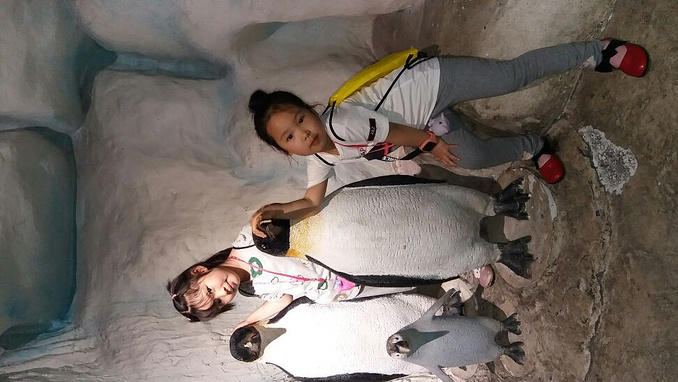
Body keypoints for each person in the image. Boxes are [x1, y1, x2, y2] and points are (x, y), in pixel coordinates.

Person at [248, 38, 647, 228]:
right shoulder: (320, 156)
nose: (302, 133)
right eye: (289, 137)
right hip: (425, 123)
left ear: (310, 110)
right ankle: (535, 146)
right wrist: (277, 212)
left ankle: (598, 52)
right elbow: (312, 202)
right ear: (287, 151)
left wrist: (431, 143)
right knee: (472, 158)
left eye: (300, 119)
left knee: (511, 76)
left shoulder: (338, 122)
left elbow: (396, 132)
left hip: (431, 84)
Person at [167, 225, 413, 327]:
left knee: (404, 251)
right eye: (219, 303)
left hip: (348, 257)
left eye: (210, 290)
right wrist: (248, 321)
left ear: (199, 271)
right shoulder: (256, 288)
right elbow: (282, 299)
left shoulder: (248, 239)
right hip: (344, 290)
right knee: (408, 281)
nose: (224, 293)